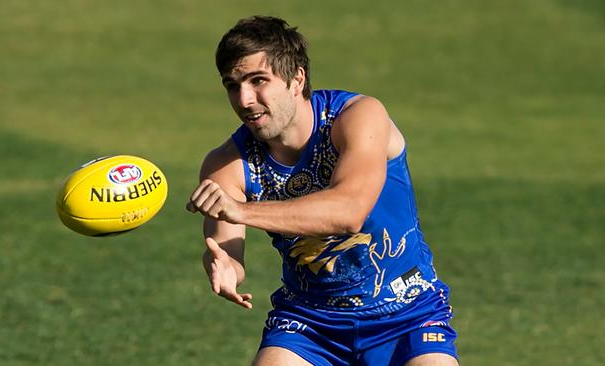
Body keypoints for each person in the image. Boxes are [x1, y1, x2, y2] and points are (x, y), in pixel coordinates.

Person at [187, 15, 459, 366]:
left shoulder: (358, 116)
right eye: (232, 85)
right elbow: (228, 252)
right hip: (310, 323)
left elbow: (348, 212)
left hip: (408, 314)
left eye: (258, 81)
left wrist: (241, 211)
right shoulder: (226, 164)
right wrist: (223, 266)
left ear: (296, 78)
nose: (245, 99)